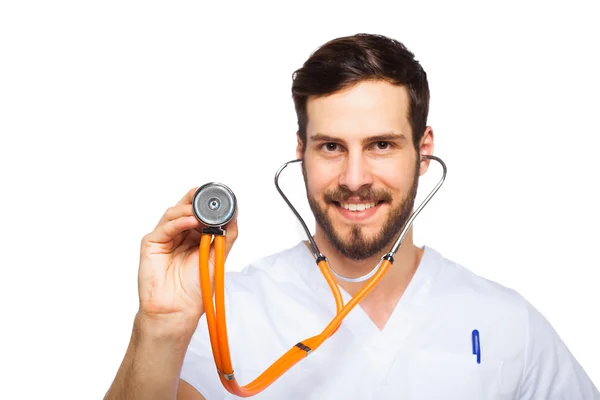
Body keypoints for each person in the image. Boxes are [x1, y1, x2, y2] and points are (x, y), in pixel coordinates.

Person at [104, 33, 599, 399]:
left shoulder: (507, 325)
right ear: (301, 151)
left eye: (381, 144)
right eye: (331, 147)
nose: (355, 177)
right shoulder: (220, 314)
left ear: (423, 152)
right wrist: (160, 328)